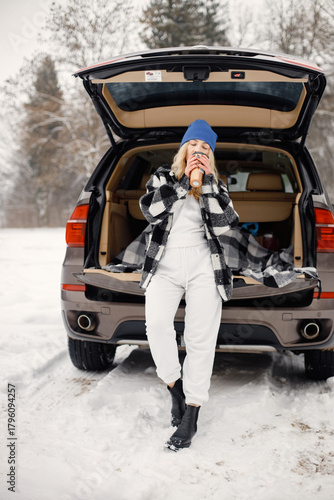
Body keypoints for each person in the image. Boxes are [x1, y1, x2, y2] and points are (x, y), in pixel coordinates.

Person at [139, 119, 239, 451]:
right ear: (184, 150)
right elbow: (150, 211)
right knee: (155, 326)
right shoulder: (163, 178)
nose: (199, 152)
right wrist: (183, 182)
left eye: (206, 149)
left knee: (200, 338)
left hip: (202, 263)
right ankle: (174, 389)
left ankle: (192, 413)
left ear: (212, 157)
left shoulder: (216, 185)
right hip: (164, 263)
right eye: (194, 147)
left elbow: (224, 224)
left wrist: (207, 182)